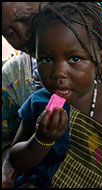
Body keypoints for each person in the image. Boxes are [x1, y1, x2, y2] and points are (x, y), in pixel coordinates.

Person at [9, 2, 102, 188]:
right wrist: (42, 140)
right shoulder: (39, 103)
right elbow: (16, 161)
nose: (58, 72)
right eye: (47, 59)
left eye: (75, 59)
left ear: (101, 59)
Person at [2, 2, 45, 188]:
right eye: (9, 32)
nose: (24, 36)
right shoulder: (12, 76)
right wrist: (7, 162)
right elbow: (6, 139)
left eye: (27, 19)